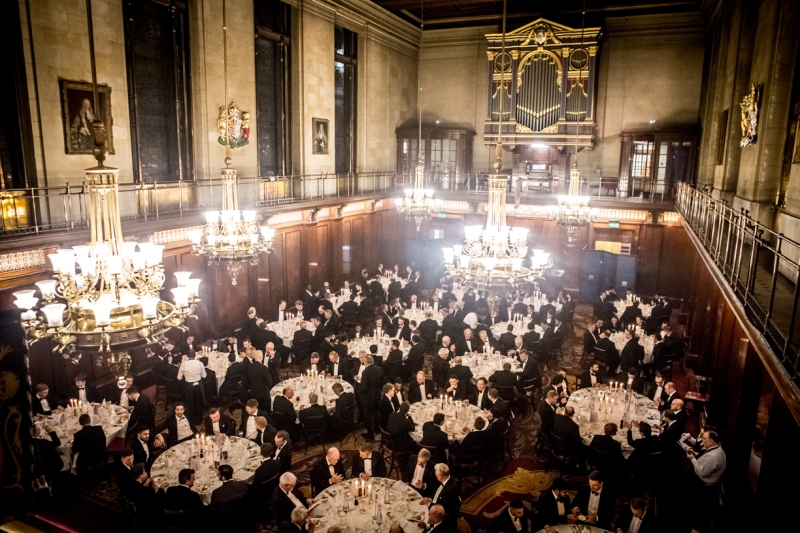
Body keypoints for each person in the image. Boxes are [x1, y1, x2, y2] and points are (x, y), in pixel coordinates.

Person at [685, 429, 726, 532]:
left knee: (698, 511)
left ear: (711, 441)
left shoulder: (713, 457)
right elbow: (704, 458)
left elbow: (702, 472)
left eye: (704, 438)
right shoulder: (716, 449)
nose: (701, 440)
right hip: (704, 484)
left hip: (704, 487)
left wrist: (692, 459)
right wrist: (694, 452)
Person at [360, 355, 387, 439]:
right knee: (376, 413)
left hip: (367, 398)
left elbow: (364, 387)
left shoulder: (365, 372)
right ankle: (377, 429)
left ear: (366, 362)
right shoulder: (380, 369)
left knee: (368, 416)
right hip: (377, 396)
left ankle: (370, 433)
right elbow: (384, 382)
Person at [177, 352, 207, 424]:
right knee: (199, 402)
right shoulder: (200, 363)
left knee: (190, 402)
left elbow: (179, 378)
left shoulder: (183, 364)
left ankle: (192, 419)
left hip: (188, 386)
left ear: (187, 356)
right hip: (198, 385)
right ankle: (199, 419)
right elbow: (204, 376)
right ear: (195, 356)